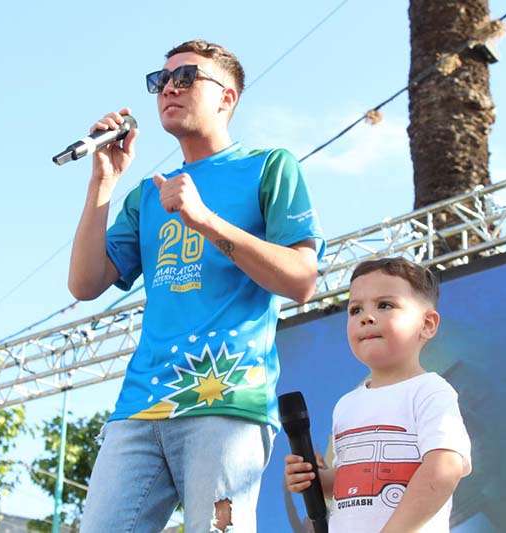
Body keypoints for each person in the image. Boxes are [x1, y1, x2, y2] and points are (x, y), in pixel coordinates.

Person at [68, 39, 325, 532]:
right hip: (140, 406)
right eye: (160, 80)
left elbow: (301, 279)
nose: (169, 88)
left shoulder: (269, 166)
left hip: (225, 399)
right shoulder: (148, 194)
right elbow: (84, 283)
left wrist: (204, 219)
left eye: (186, 77)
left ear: (227, 97)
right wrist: (103, 182)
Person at [284, 257, 471, 532]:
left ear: (427, 324)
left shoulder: (430, 391)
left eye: (385, 305)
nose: (366, 317)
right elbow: (354, 481)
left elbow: (444, 468)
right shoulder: (346, 405)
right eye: (355, 309)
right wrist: (317, 480)